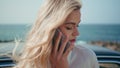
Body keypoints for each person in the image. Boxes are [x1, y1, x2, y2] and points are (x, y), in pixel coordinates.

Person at [13, 0, 99, 68]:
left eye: (77, 25)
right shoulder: (30, 61)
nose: (77, 33)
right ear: (50, 28)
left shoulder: (86, 57)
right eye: (69, 27)